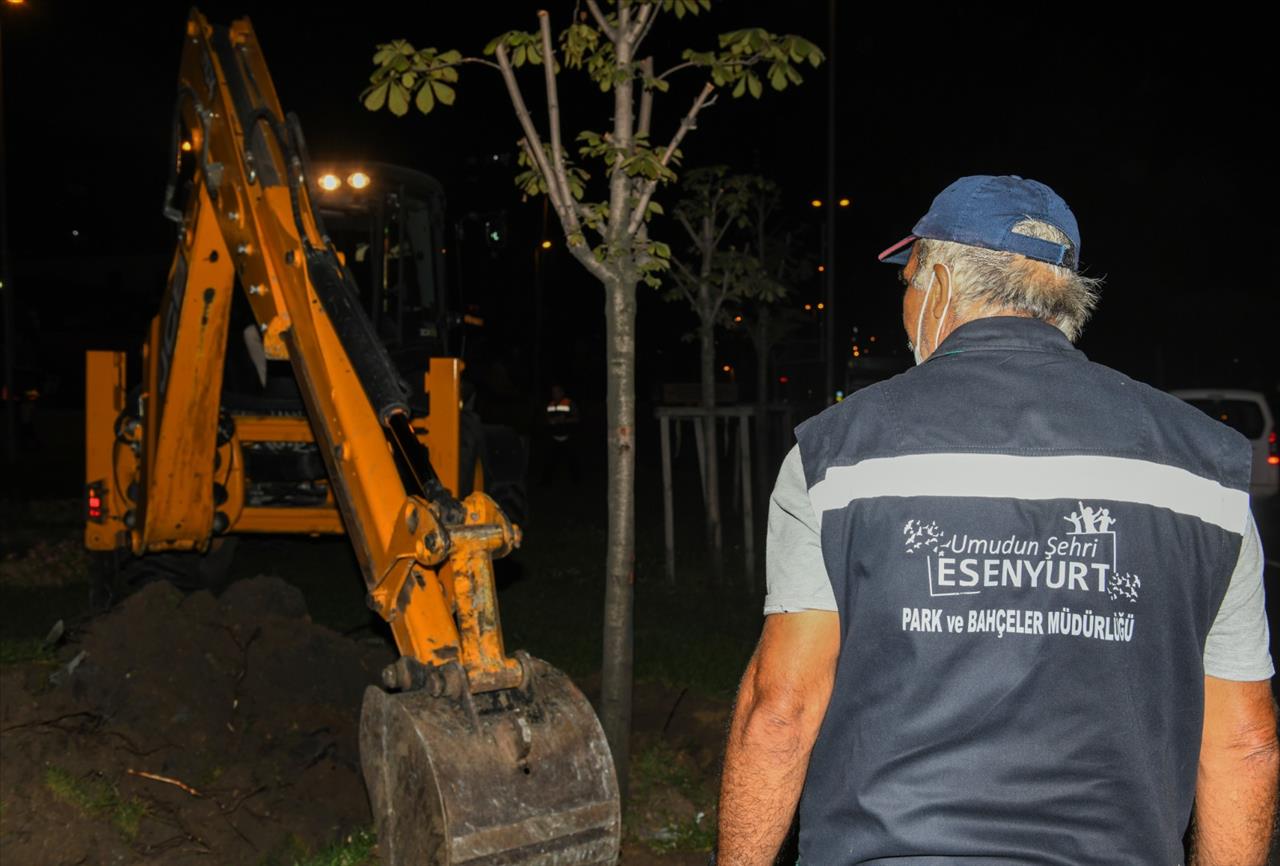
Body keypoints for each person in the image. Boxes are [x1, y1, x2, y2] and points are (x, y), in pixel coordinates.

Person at [716, 176, 1277, 865]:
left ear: (944, 282)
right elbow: (1244, 742)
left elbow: (780, 712)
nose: (908, 303)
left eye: (909, 282)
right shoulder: (1207, 473)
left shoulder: (838, 456)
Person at [540, 383, 580, 484]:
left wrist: (564, 420)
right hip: (553, 437)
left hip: (568, 437)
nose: (554, 394)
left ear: (562, 392)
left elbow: (577, 419)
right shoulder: (550, 404)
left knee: (572, 461)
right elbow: (545, 419)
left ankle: (576, 483)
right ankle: (545, 483)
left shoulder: (569, 403)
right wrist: (550, 421)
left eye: (557, 391)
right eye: (553, 392)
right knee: (549, 461)